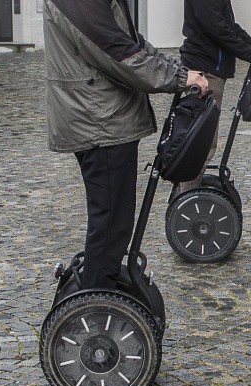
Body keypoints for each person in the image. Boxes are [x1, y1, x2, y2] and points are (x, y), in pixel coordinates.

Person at [42, 0, 208, 290]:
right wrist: (179, 77)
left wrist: (178, 69)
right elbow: (117, 52)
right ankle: (94, 300)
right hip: (98, 120)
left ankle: (102, 286)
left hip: (104, 117)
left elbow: (132, 42)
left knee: (115, 221)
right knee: (110, 223)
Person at [178, 0, 251, 191]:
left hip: (212, 68)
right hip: (204, 70)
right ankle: (187, 197)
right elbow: (217, 28)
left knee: (204, 140)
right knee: (202, 142)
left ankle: (188, 193)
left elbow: (230, 25)